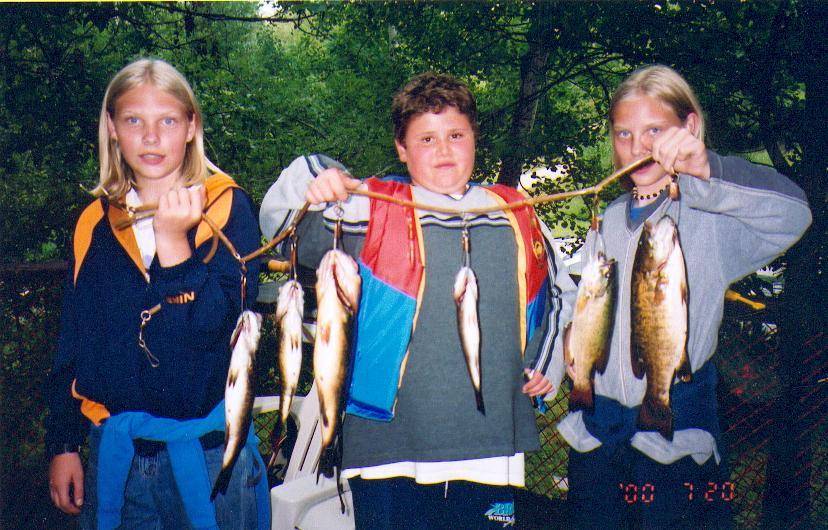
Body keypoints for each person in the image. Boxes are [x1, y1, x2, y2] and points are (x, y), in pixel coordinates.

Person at [259, 72, 576, 528]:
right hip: (388, 449)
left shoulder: (514, 213)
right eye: (426, 138)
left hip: (490, 446)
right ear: (402, 149)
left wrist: (547, 362)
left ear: (475, 140)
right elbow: (279, 215)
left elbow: (562, 292)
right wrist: (323, 181)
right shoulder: (370, 207)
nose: (443, 149)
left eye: (455, 135)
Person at [554, 65, 812, 528]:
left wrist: (704, 168)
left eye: (655, 130)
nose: (639, 146)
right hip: (597, 429)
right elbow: (581, 310)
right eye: (624, 134)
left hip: (676, 425)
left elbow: (794, 214)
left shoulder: (711, 216)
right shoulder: (607, 220)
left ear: (689, 128)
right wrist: (557, 367)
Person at [45, 58, 267, 529]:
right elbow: (75, 339)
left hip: (210, 458)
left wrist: (172, 246)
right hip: (117, 455)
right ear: (112, 127)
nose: (150, 137)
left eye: (167, 120)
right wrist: (64, 442)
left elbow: (221, 334)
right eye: (133, 121)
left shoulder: (227, 210)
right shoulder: (94, 223)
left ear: (191, 127)